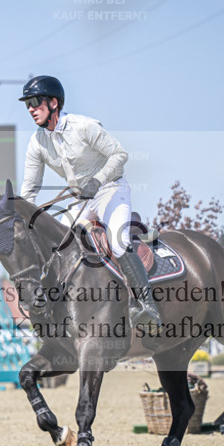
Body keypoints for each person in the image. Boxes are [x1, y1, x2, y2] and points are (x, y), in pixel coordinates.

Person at [18, 75, 161, 334]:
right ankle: (54, 312)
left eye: (35, 102)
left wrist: (97, 180)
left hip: (110, 190)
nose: (30, 109)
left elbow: (120, 155)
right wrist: (25, 218)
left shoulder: (83, 126)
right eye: (27, 104)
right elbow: (29, 190)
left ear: (53, 103)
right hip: (79, 200)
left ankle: (147, 305)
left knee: (118, 242)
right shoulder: (37, 142)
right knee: (57, 249)